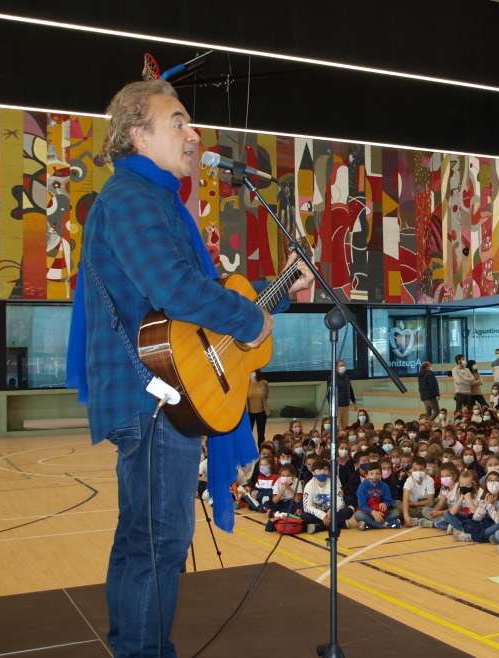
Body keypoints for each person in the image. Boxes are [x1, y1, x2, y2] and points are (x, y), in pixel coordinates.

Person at [66, 80, 313, 657]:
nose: (194, 133)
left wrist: (271, 295)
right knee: (157, 542)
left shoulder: (154, 201)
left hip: (162, 390)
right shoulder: (132, 198)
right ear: (137, 133)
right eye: (177, 121)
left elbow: (195, 318)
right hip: (150, 394)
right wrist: (251, 322)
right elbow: (175, 290)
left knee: (145, 541)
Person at [326, 359, 356, 430]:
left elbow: (350, 389)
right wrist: (331, 406)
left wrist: (354, 402)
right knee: (336, 426)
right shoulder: (332, 378)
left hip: (346, 405)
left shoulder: (347, 377)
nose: (343, 367)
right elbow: (328, 393)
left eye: (344, 365)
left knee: (344, 425)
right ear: (336, 367)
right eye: (341, 365)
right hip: (337, 406)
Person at [247, 370, 270, 448]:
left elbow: (266, 396)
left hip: (261, 411)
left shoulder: (264, 383)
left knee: (261, 433)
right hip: (249, 412)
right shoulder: (246, 382)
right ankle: (249, 450)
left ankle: (261, 450)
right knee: (247, 433)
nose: (252, 373)